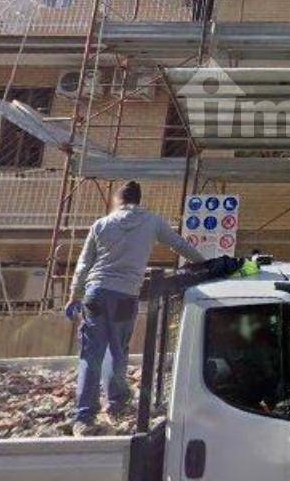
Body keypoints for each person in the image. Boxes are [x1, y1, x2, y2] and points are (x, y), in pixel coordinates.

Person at [65, 180, 205, 436]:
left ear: (118, 200)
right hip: (126, 295)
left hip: (96, 294)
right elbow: (180, 245)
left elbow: (84, 264)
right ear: (138, 200)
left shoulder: (102, 224)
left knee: (91, 354)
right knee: (119, 350)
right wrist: (206, 264)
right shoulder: (152, 222)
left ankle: (84, 417)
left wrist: (74, 295)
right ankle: (117, 402)